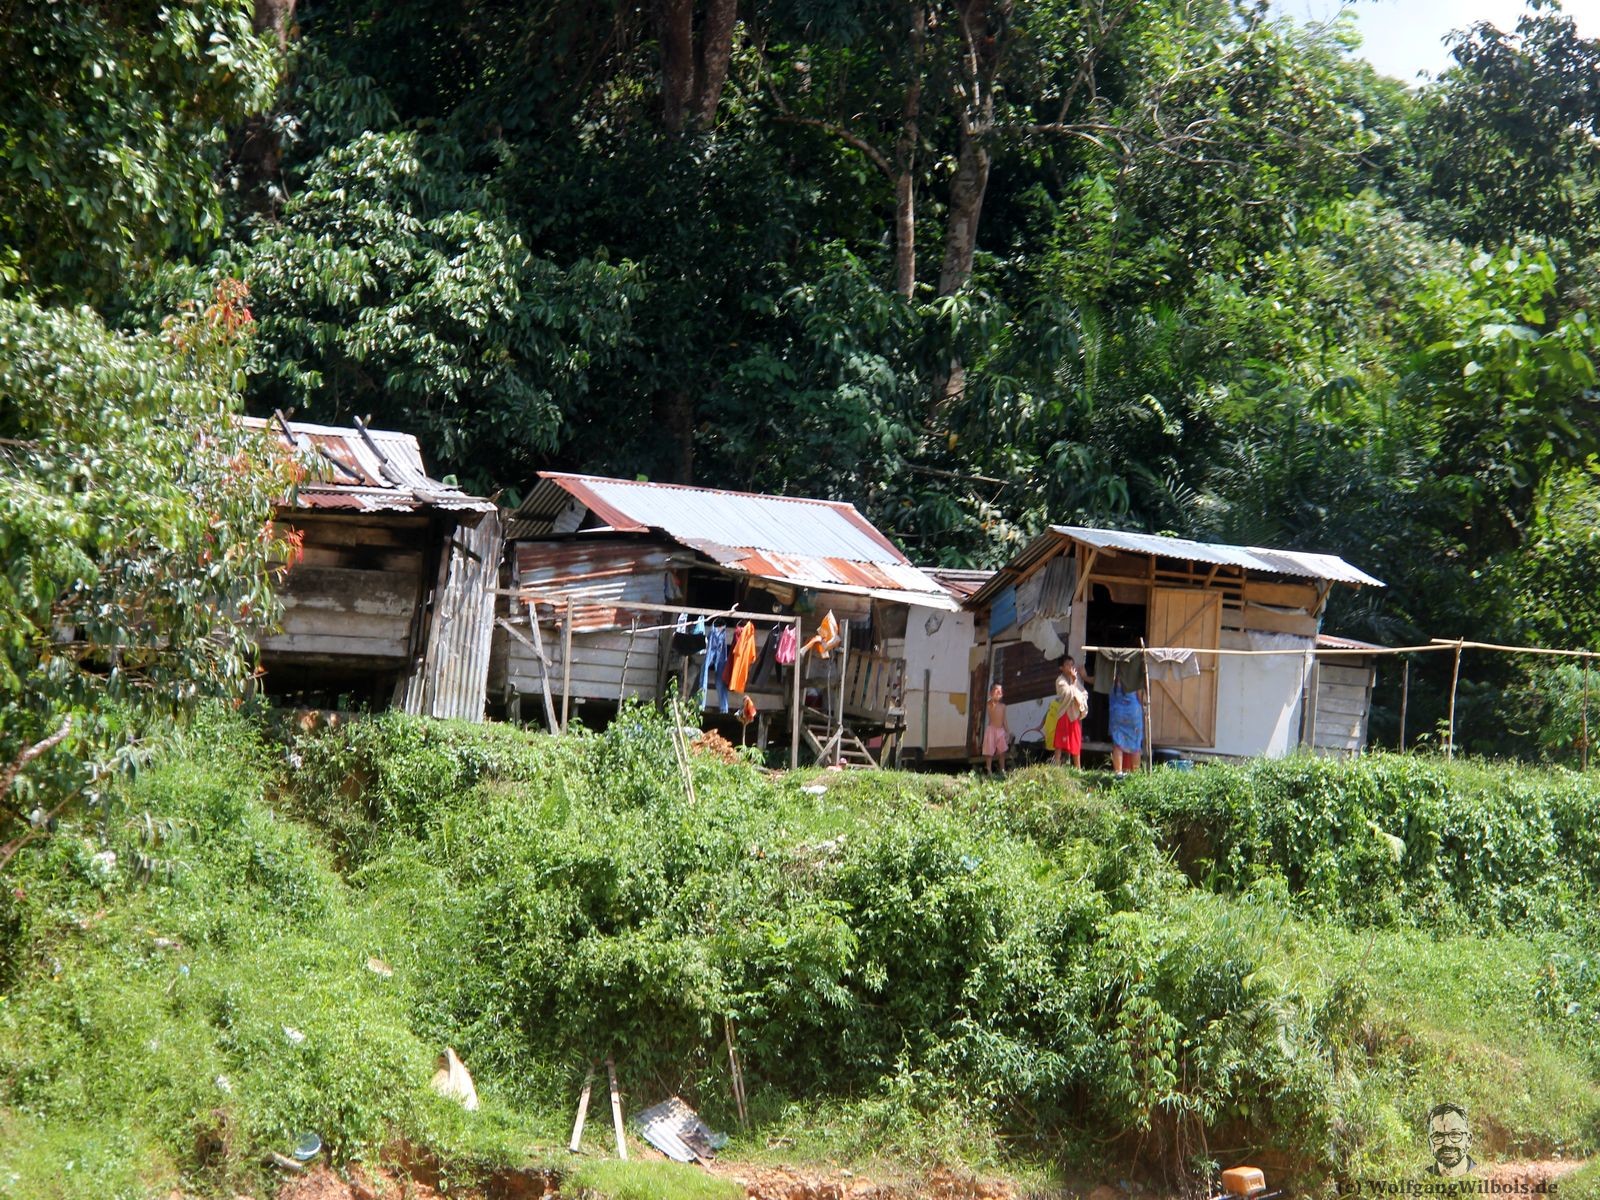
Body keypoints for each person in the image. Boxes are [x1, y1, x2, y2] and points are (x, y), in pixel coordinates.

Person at [1052, 656, 1089, 769]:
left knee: (1076, 742)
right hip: (1064, 714)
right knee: (1059, 743)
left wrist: (1075, 685)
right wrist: (1074, 684)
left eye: (1072, 665)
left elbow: (1084, 694)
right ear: (1061, 668)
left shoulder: (1075, 680)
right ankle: (1056, 767)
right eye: (1067, 665)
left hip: (1075, 715)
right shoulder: (1060, 681)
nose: (1070, 667)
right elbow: (1068, 694)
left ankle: (1078, 768)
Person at [1425, 1103, 1475, 1177]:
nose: (1447, 1143)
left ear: (1468, 1140)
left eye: (1455, 1135)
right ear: (1430, 1143)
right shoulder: (1422, 1178)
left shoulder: (1482, 1175)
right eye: (1438, 1136)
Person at [1108, 678, 1145, 774]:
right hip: (1133, 712)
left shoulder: (1113, 676)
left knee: (1118, 743)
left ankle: (1118, 772)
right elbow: (1140, 697)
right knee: (1136, 745)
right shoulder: (1135, 678)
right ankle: (1136, 774)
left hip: (1118, 711)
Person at [982, 683, 1010, 775]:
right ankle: (989, 770)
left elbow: (1004, 720)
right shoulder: (990, 704)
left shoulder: (1003, 706)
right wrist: (992, 696)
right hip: (991, 730)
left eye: (1000, 691)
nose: (999, 693)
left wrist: (1007, 731)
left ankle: (1002, 769)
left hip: (1000, 730)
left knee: (1002, 751)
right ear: (991, 693)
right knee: (989, 751)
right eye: (996, 691)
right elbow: (991, 701)